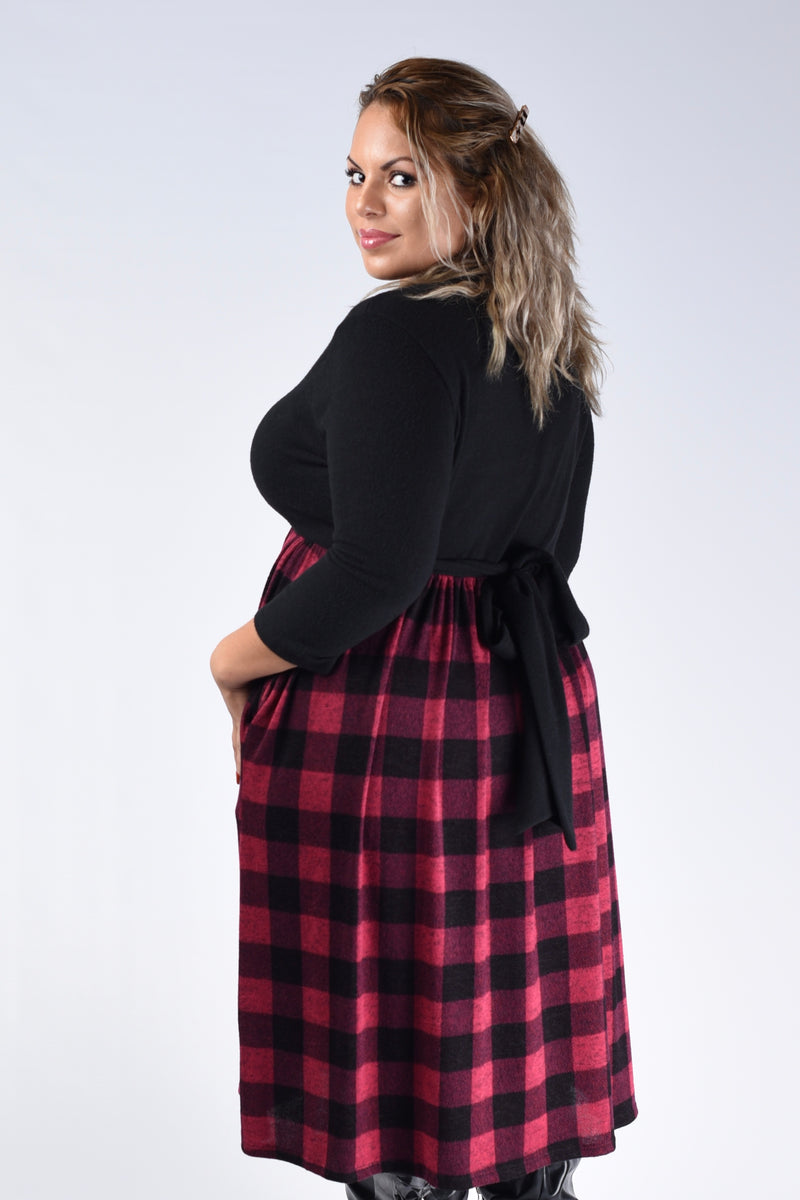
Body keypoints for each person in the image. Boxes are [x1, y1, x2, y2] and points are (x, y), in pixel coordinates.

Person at [210, 57, 636, 1200]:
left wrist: (231, 659)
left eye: (401, 176)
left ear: (479, 191)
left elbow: (377, 573)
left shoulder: (393, 339)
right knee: (506, 1069)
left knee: (404, 1088)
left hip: (389, 725)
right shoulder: (548, 343)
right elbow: (548, 557)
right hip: (527, 725)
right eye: (354, 174)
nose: (365, 203)